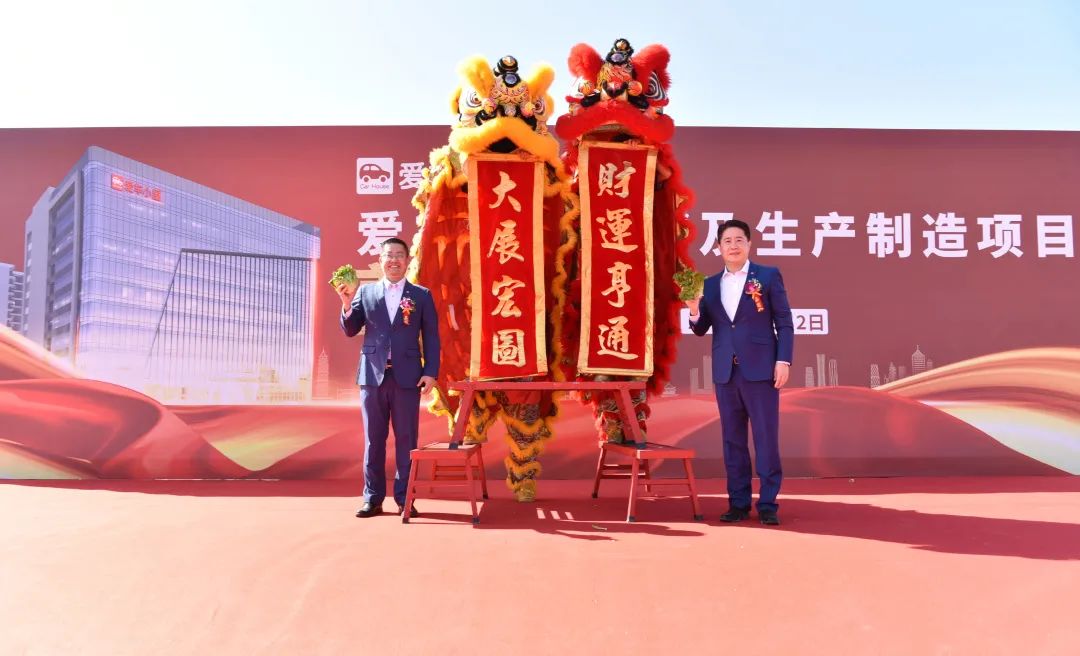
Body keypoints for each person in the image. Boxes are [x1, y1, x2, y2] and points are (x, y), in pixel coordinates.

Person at [686, 219, 793, 525]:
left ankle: (768, 503)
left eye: (738, 240)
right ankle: (738, 502)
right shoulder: (709, 284)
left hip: (761, 370)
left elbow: (784, 322)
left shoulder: (767, 276)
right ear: (718, 247)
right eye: (727, 241)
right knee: (732, 441)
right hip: (726, 373)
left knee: (765, 438)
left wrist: (783, 361)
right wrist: (693, 309)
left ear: (749, 244)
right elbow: (701, 328)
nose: (733, 246)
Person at [337, 238, 439, 518]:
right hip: (372, 376)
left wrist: (431, 372)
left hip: (408, 377)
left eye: (399, 255)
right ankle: (372, 499)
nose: (394, 260)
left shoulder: (421, 295)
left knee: (407, 439)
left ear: (407, 260)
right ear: (381, 260)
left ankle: (406, 498)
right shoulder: (365, 292)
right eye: (389, 255)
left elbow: (431, 337)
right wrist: (346, 304)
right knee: (374, 439)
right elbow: (351, 329)